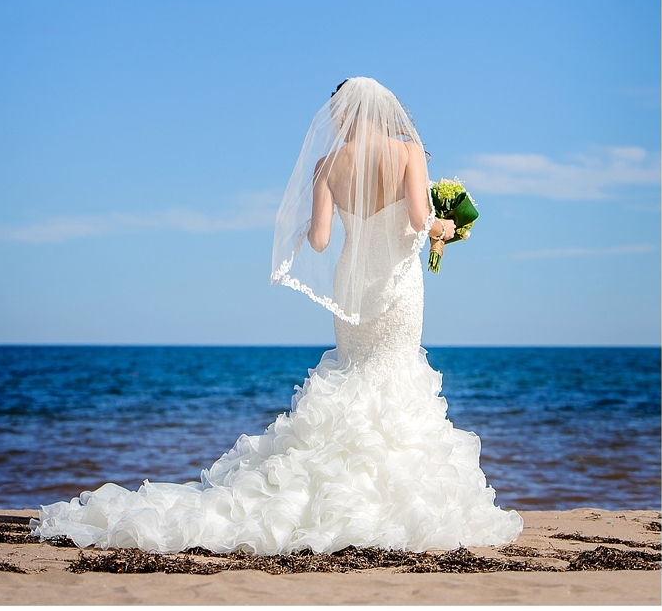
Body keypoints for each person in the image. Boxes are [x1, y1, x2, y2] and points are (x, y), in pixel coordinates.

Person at [32, 77, 523, 553]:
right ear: (385, 111)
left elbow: (321, 240)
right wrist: (446, 226)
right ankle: (391, 497)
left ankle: (336, 487)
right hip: (396, 283)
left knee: (356, 373)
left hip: (351, 283)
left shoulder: (328, 165)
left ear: (340, 115)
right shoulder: (407, 151)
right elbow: (418, 221)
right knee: (393, 371)